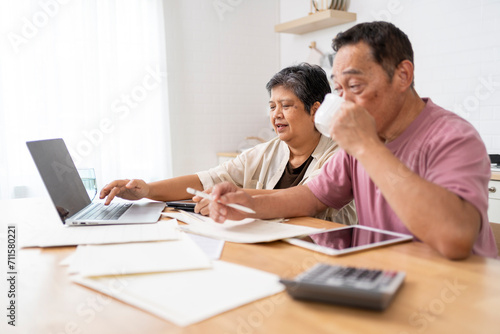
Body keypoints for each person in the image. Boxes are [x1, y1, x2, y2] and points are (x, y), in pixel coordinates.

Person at [207, 21, 498, 260]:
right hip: (381, 278)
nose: (343, 100)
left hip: (457, 293)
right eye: (338, 89)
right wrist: (248, 203)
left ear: (403, 75)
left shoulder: (453, 137)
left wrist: (365, 145)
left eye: (355, 85)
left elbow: (455, 239)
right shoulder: (360, 143)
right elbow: (309, 198)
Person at [99, 63, 357, 225]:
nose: (276, 114)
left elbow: (307, 198)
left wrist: (239, 200)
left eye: (286, 106)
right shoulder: (265, 152)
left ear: (316, 110)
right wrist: (146, 190)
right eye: (271, 106)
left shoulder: (340, 154)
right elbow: (206, 180)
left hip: (322, 253)